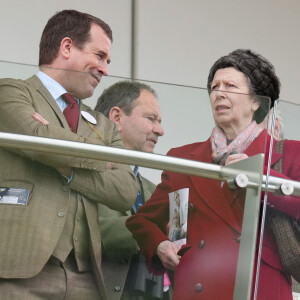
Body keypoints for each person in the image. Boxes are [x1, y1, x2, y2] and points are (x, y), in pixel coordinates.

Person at [126, 49, 300, 300]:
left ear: (256, 102)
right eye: (215, 86)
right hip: (197, 290)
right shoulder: (183, 157)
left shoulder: (289, 153)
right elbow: (143, 220)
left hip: (260, 290)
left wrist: (262, 178)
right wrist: (160, 245)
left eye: (230, 85)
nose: (219, 92)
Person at [0, 10, 139, 300]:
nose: (105, 69)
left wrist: (69, 171)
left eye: (108, 61)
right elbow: (37, 139)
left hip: (86, 279)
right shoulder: (12, 91)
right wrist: (103, 157)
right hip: (18, 271)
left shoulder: (102, 123)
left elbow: (126, 190)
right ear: (66, 47)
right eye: (100, 56)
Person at [95, 81, 165, 299]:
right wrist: (150, 232)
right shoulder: (85, 173)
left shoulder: (157, 192)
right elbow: (79, 231)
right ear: (116, 117)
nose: (160, 130)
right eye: (150, 119)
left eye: (160, 122)